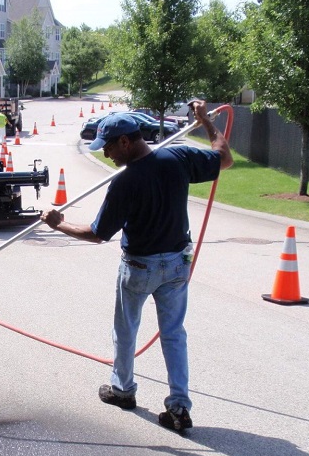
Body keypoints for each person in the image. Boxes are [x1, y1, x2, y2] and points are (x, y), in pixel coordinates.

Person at [40, 101, 233, 432]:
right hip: (175, 265)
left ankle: (123, 390)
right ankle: (178, 408)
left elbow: (97, 234)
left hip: (139, 268)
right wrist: (206, 123)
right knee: (173, 335)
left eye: (109, 147)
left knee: (126, 329)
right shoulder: (179, 157)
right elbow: (224, 157)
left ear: (126, 142)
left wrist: (59, 224)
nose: (107, 155)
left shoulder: (125, 183)